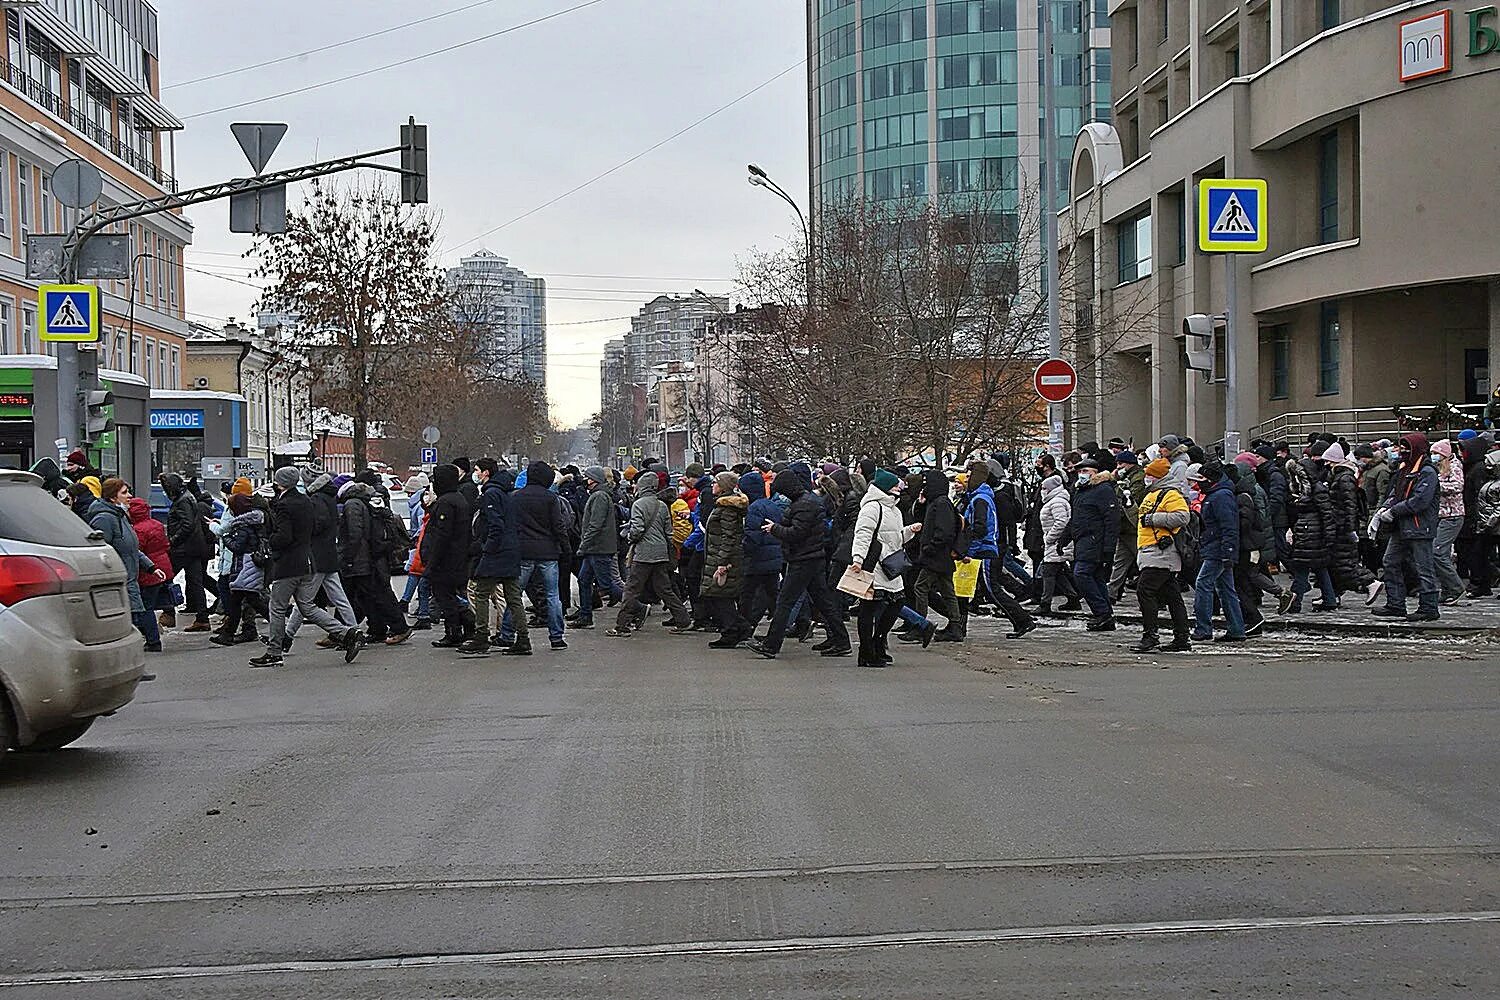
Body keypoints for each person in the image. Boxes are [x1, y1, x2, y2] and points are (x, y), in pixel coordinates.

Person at [250, 467, 365, 667]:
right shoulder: (304, 501)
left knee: (277, 607)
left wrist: (270, 539)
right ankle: (348, 633)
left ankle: (274, 651)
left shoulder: (286, 504)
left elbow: (284, 536)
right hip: (307, 561)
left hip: (288, 564)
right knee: (307, 606)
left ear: (280, 482)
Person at [746, 469, 851, 659]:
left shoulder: (804, 505)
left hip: (803, 560)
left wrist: (774, 529)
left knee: (785, 602)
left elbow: (796, 533)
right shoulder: (807, 502)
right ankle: (842, 640)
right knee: (823, 602)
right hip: (812, 558)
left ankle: (771, 645)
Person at [847, 469, 919, 667]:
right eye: (895, 485)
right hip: (874, 566)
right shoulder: (872, 508)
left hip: (891, 566)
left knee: (896, 603)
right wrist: (858, 559)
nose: (899, 488)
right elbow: (862, 534)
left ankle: (878, 641)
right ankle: (867, 651)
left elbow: (894, 538)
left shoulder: (894, 510)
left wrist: (909, 532)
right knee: (869, 609)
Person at [88, 480, 166, 657]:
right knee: (124, 629)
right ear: (112, 497)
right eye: (124, 493)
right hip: (116, 584)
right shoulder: (104, 519)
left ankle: (129, 666)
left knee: (130, 627)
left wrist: (151, 567)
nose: (129, 496)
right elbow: (101, 552)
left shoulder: (120, 516)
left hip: (129, 581)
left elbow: (131, 548)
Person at [608, 472, 692, 637]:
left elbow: (637, 529)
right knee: (664, 589)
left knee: (632, 589)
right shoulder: (661, 505)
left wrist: (629, 536)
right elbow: (669, 532)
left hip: (644, 554)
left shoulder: (639, 504)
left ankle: (622, 625)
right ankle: (684, 620)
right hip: (661, 553)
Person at [501, 461, 571, 651]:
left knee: (515, 595)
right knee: (552, 596)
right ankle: (556, 637)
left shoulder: (516, 497)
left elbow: (510, 526)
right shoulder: (550, 498)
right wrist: (565, 548)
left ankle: (507, 633)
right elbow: (559, 526)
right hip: (548, 552)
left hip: (523, 552)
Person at [1371, 433, 1440, 621]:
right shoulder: (1405, 469)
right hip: (1402, 525)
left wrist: (1393, 511)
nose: (1401, 452)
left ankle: (1429, 607)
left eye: (1405, 448)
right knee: (1390, 561)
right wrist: (1384, 508)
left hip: (1419, 526)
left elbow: (1420, 500)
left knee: (1424, 567)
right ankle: (1395, 603)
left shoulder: (1426, 472)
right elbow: (1396, 492)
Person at [287, 473, 358, 649]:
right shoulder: (329, 498)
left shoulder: (316, 500)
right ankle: (354, 629)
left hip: (317, 557)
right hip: (328, 555)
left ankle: (286, 636)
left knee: (304, 601)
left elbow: (317, 525)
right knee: (339, 598)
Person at [337, 479, 412, 646]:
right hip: (370, 558)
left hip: (360, 560)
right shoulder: (365, 503)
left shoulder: (352, 505)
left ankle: (398, 627)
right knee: (367, 596)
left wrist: (348, 558)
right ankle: (375, 629)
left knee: (375, 595)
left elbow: (355, 534)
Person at [461, 465, 526, 656]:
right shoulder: (507, 493)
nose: (476, 473)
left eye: (478, 470)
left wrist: (486, 549)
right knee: (513, 597)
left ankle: (481, 636)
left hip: (496, 554)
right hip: (511, 551)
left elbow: (495, 525)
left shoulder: (491, 494)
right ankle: (523, 638)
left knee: (480, 592)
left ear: (487, 472)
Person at [1132, 459, 1192, 653]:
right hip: (1150, 550)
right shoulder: (1153, 494)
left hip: (1162, 552)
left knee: (1145, 590)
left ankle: (1151, 635)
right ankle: (1182, 637)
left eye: (1149, 475)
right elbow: (1140, 520)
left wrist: (1154, 519)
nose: (1146, 478)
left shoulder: (1171, 494)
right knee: (1172, 595)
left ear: (1157, 477)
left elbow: (1183, 516)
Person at [420, 463, 477, 648]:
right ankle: (465, 625)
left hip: (446, 560)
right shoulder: (458, 499)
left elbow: (442, 536)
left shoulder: (446, 503)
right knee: (449, 595)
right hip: (457, 558)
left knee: (445, 597)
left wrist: (432, 562)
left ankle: (454, 631)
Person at [1059, 458, 1120, 630]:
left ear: (1095, 472)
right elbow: (1076, 518)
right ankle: (1105, 615)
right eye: (1079, 472)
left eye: (1085, 471)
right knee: (1096, 578)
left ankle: (1101, 612)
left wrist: (1109, 548)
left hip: (1095, 541)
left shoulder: (1103, 490)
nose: (1081, 474)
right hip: (1083, 541)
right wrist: (1064, 538)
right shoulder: (1081, 491)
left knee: (1082, 574)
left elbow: (1112, 521)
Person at [1190, 461, 1246, 642]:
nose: (1200, 482)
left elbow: (1229, 526)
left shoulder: (1220, 496)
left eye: (1203, 478)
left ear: (1212, 479)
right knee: (1226, 588)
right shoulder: (1218, 494)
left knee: (1203, 584)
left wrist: (1227, 550)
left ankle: (1204, 628)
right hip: (1219, 547)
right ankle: (1236, 629)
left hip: (1217, 549)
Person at [906, 469, 959, 648]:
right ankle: (955, 625)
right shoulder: (934, 502)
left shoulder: (942, 503)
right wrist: (921, 504)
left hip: (936, 555)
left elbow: (944, 531)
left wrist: (930, 547)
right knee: (947, 590)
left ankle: (920, 625)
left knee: (920, 587)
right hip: (937, 555)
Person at [700, 472, 753, 648]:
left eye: (715, 482)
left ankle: (731, 631)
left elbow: (729, 537)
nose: (712, 485)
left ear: (723, 486)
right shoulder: (722, 505)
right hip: (718, 556)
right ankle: (740, 628)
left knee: (721, 595)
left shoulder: (727, 508)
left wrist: (722, 562)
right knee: (719, 595)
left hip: (723, 558)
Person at [1280, 458, 1338, 613]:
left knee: (1302, 567)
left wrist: (1329, 535)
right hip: (1308, 531)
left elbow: (1327, 513)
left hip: (1312, 533)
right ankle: (1329, 599)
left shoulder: (1316, 489)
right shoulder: (1304, 489)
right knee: (1319, 567)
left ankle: (1295, 601)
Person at [212, 494, 269, 647]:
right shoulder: (252, 522)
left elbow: (238, 547)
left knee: (249, 600)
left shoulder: (243, 526)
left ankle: (280, 625)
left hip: (245, 566)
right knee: (245, 600)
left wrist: (225, 538)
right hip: (248, 566)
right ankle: (228, 634)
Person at [159, 472, 212, 633]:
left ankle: (168, 612)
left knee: (165, 578)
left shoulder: (182, 501)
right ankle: (202, 618)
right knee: (196, 582)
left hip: (183, 549)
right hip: (193, 548)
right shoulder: (186, 498)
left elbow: (187, 524)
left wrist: (173, 540)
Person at [573, 466, 624, 629]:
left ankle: (637, 606)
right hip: (594, 548)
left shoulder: (600, 496)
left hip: (599, 548)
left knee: (606, 584)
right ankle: (585, 616)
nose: (584, 480)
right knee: (584, 580)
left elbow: (595, 525)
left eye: (587, 477)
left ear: (593, 480)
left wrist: (584, 545)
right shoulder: (598, 495)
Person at [127, 496, 172, 652]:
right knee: (152, 602)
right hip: (163, 566)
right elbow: (166, 544)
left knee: (146, 607)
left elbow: (137, 551)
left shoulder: (137, 530)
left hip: (149, 571)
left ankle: (153, 641)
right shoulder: (157, 524)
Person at [738, 470, 782, 629]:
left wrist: (744, 551)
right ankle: (788, 624)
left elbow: (752, 535)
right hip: (773, 556)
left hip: (758, 559)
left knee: (748, 595)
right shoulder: (771, 505)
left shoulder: (754, 509)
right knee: (772, 594)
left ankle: (744, 628)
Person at [1428, 439, 1467, 605]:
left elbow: (1458, 486)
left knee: (1438, 552)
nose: (1433, 456)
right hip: (1441, 515)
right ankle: (1447, 589)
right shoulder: (1439, 468)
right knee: (1438, 553)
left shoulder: (1455, 466)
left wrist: (1436, 486)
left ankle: (1456, 588)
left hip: (1452, 515)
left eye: (1436, 453)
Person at [1036, 473, 1080, 614]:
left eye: (1044, 488)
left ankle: (1045, 603)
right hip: (1056, 543)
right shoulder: (1055, 500)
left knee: (1048, 571)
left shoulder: (1057, 502)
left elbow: (1061, 522)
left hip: (1057, 543)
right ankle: (1073, 598)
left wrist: (1050, 538)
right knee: (1058, 572)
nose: (1042, 490)